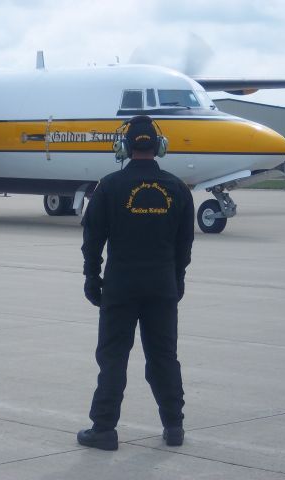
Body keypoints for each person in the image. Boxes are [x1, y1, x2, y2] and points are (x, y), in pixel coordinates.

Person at [77, 115, 194, 451]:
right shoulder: (178, 189)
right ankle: (174, 426)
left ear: (124, 148)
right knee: (164, 357)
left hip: (121, 285)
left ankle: (104, 429)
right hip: (161, 286)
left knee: (113, 356)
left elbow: (93, 238)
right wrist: (177, 280)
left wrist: (91, 276)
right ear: (159, 147)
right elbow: (184, 244)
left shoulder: (109, 186)